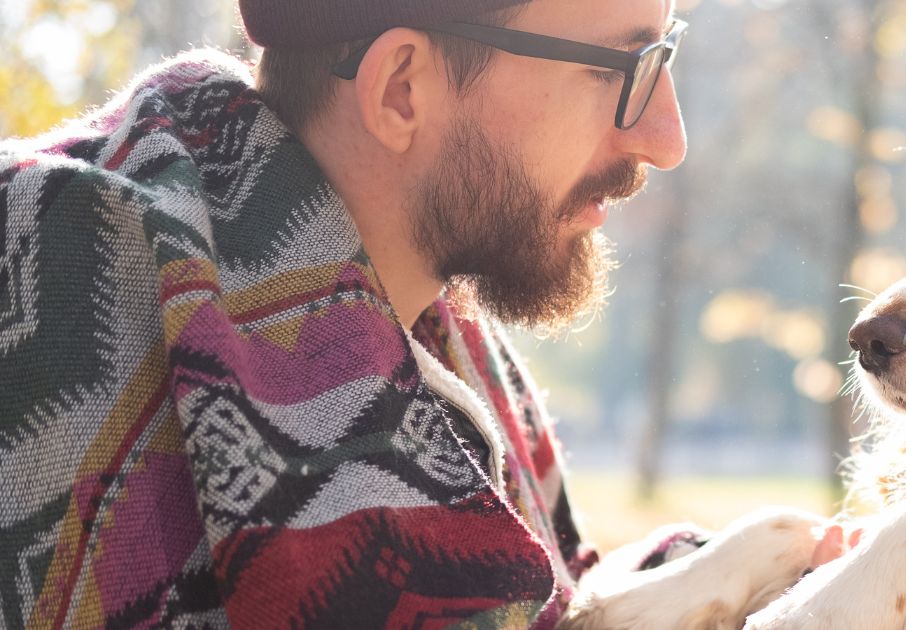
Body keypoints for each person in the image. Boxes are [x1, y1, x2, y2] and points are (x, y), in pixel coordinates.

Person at [0, 0, 836, 626]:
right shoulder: (61, 266)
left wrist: (774, 577)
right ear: (402, 89)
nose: (665, 136)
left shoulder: (440, 325)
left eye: (666, 55)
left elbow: (554, 597)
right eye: (619, 70)